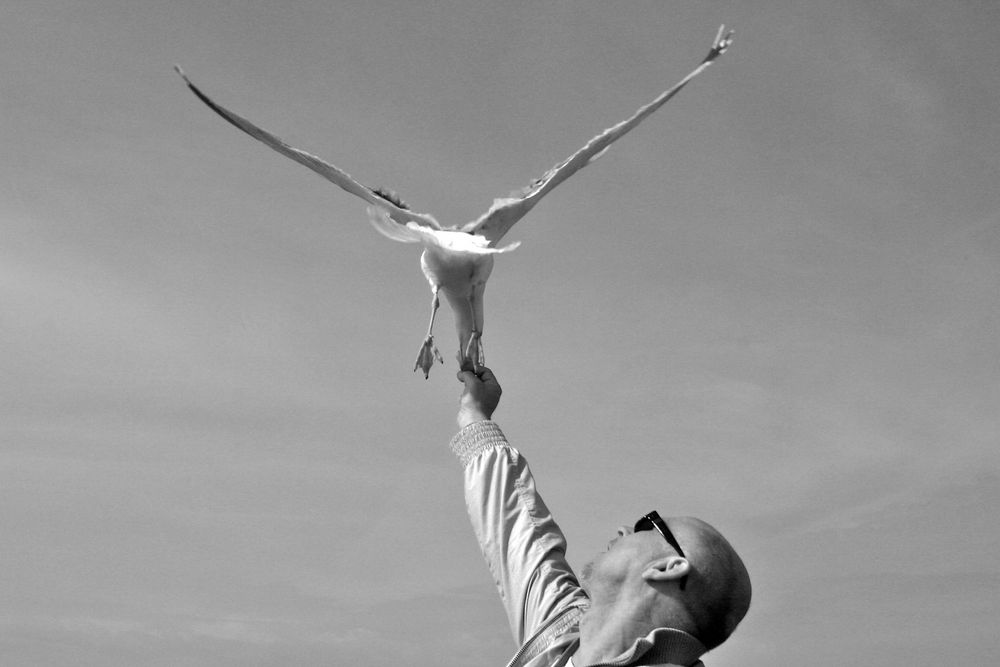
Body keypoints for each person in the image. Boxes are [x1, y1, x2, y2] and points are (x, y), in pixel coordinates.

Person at [451, 367, 751, 667]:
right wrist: (476, 417)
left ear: (667, 567)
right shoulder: (558, 641)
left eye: (648, 525)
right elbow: (518, 530)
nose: (623, 530)